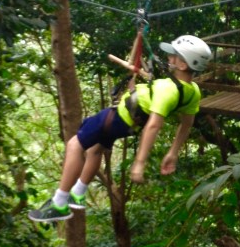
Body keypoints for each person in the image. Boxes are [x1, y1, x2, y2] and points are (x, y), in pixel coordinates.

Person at [28, 35, 212, 222]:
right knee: (95, 149)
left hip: (116, 118)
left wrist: (140, 163)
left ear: (182, 65)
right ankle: (78, 193)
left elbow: (154, 125)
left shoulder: (168, 90)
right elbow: (186, 123)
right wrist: (173, 152)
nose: (169, 58)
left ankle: (59, 203)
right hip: (126, 125)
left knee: (74, 145)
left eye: (173, 56)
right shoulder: (192, 91)